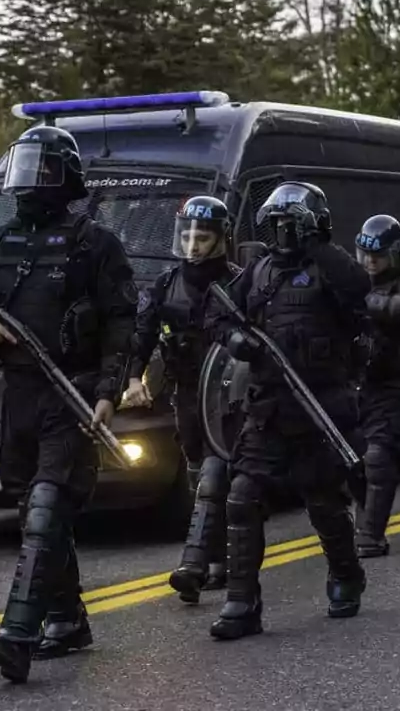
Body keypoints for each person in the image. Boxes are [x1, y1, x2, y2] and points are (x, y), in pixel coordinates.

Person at [0, 125, 138, 683]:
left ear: (65, 177)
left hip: (70, 391)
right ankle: (66, 617)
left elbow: (121, 323)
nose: (30, 179)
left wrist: (108, 391)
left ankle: (17, 635)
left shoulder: (94, 243)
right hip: (18, 394)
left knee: (46, 506)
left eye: (41, 168)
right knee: (34, 503)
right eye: (24, 166)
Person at [205, 181, 370, 640]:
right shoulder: (257, 272)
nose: (282, 234)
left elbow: (360, 290)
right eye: (275, 225)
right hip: (268, 407)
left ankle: (345, 575)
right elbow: (215, 312)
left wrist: (319, 244)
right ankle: (242, 602)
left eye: (291, 225)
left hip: (320, 406)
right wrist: (235, 340)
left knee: (323, 502)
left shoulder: (329, 266)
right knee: (242, 497)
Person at [126, 196, 241, 603]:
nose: (193, 244)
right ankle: (219, 560)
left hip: (228, 396)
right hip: (185, 391)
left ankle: (197, 564)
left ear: (221, 239)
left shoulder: (238, 283)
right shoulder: (165, 284)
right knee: (198, 478)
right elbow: (141, 334)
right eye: (188, 235)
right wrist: (135, 378)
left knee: (214, 475)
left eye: (203, 237)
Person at [352, 214, 400, 557]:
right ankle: (362, 519)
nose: (370, 261)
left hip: (394, 383)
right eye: (365, 254)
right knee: (349, 459)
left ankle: (371, 534)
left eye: (378, 255)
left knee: (378, 457)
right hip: (355, 382)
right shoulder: (354, 280)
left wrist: (360, 300)